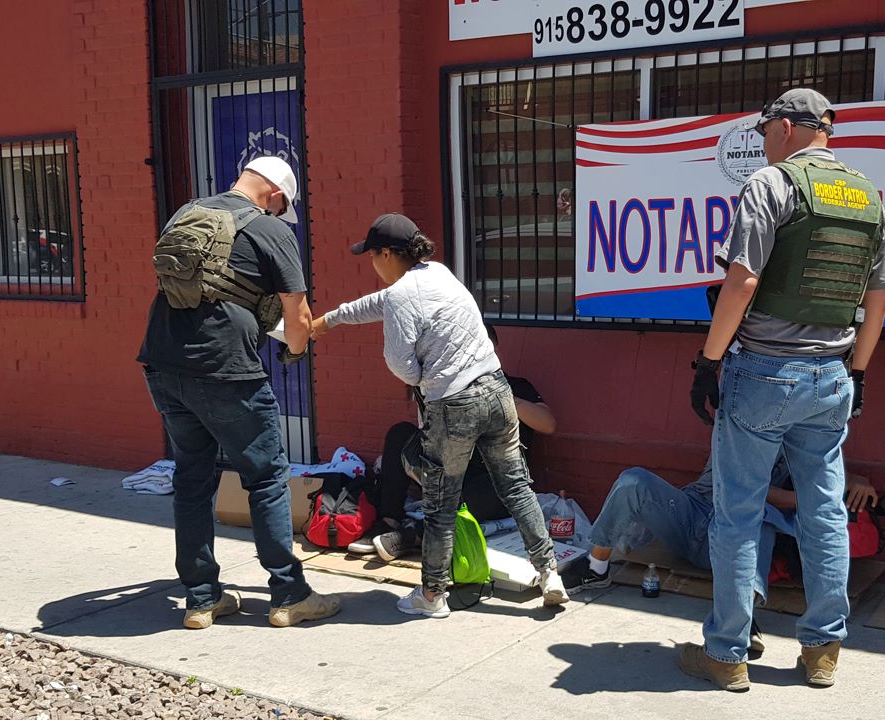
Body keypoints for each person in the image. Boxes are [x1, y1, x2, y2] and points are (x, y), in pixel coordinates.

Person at [682, 88, 885, 691]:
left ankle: (727, 654)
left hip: (763, 374)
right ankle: (823, 651)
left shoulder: (770, 186)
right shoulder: (867, 196)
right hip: (832, 376)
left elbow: (742, 283)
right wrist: (859, 370)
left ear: (787, 129)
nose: (762, 141)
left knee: (737, 513)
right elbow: (878, 297)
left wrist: (707, 361)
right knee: (825, 513)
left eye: (765, 129)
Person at [311, 213, 569, 618]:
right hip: (497, 389)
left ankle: (432, 596)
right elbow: (380, 303)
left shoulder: (401, 295)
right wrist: (331, 319)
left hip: (454, 403)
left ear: (386, 254)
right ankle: (550, 574)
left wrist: (423, 376)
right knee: (517, 487)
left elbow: (401, 365)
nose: (371, 265)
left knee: (440, 502)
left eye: (372, 257)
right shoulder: (439, 273)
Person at [138, 156, 340, 630]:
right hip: (226, 371)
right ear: (274, 195)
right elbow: (298, 316)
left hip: (164, 364)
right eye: (282, 205)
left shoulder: (187, 213)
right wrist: (297, 348)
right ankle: (289, 595)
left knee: (192, 478)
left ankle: (201, 599)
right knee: (266, 478)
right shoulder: (272, 231)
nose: (280, 211)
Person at [560, 456, 879, 655]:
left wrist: (857, 481)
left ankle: (743, 619)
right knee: (634, 480)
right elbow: (747, 489)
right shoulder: (740, 418)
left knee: (757, 514)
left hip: (734, 536)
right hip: (694, 517)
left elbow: (831, 468)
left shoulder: (803, 433)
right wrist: (813, 498)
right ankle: (596, 566)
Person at [353, 322, 557, 562]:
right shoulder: (451, 387)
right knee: (401, 433)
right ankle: (388, 521)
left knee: (481, 492)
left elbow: (548, 424)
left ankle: (414, 536)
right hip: (452, 469)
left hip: (494, 480)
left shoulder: (518, 385)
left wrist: (502, 396)